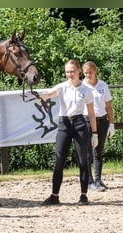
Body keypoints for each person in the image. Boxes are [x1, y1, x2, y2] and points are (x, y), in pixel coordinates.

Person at [41, 59, 98, 206]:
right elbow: (49, 94)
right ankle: (55, 195)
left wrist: (95, 133)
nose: (69, 74)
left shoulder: (86, 90)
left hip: (80, 123)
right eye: (67, 71)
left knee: (82, 160)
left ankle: (84, 195)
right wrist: (40, 95)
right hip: (64, 123)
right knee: (59, 159)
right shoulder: (62, 87)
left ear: (79, 71)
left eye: (72, 71)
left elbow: (91, 114)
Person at [82, 61, 115, 192]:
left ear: (95, 71)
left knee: (98, 152)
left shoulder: (103, 85)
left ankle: (98, 179)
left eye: (90, 72)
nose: (88, 75)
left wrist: (111, 123)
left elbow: (108, 106)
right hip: (87, 121)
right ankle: (89, 180)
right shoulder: (82, 86)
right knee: (88, 152)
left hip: (102, 120)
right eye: (86, 73)